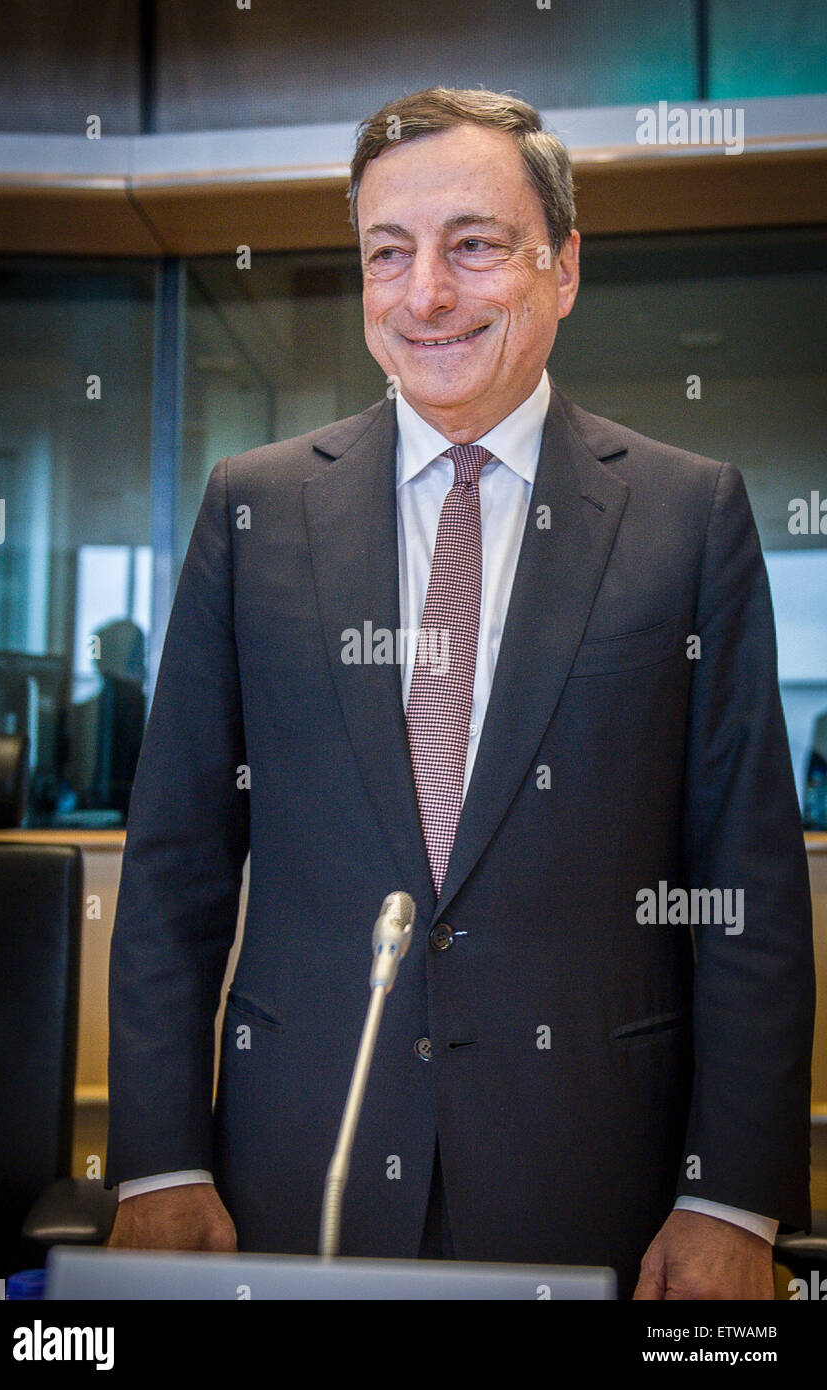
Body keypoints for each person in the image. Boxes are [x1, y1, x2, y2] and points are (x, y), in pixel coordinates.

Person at [105, 87, 815, 1300]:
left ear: (565, 266)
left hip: (597, 1183)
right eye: (390, 253)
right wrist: (156, 1164)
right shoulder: (253, 507)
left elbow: (742, 886)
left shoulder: (688, 516)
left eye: (473, 245)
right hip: (294, 1173)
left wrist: (730, 1194)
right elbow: (176, 862)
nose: (425, 293)